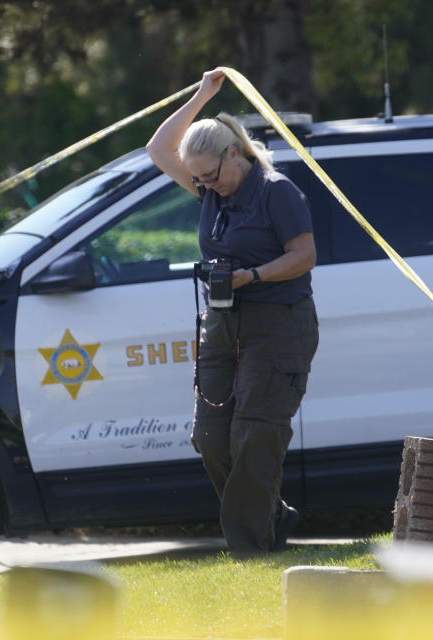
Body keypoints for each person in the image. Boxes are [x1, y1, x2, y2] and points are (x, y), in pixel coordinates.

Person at [145, 68, 319, 553]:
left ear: (235, 154)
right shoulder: (210, 188)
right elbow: (159, 150)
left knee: (254, 437)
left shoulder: (276, 190)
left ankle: (249, 549)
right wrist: (203, 95)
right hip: (222, 324)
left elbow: (304, 256)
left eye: (211, 176)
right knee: (211, 438)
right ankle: (271, 516)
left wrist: (254, 275)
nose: (204, 186)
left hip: (278, 324)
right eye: (197, 179)